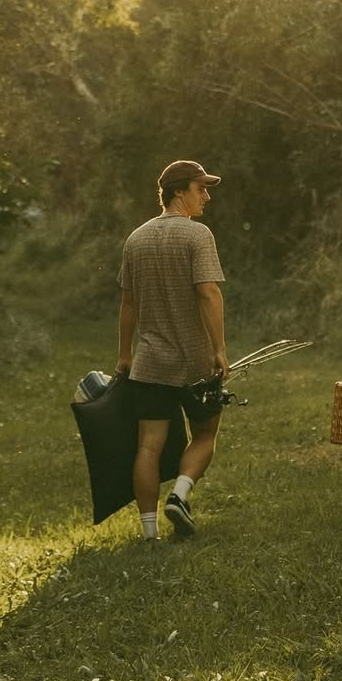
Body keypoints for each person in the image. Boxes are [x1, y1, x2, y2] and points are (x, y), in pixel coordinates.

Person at [116, 159, 230, 542]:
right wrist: (219, 349)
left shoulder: (136, 238)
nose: (207, 196)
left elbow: (127, 303)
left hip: (148, 362)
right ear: (179, 191)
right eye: (201, 189)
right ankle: (179, 496)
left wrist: (124, 354)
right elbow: (208, 292)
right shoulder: (198, 236)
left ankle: (149, 533)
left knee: (148, 445)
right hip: (194, 358)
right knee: (205, 434)